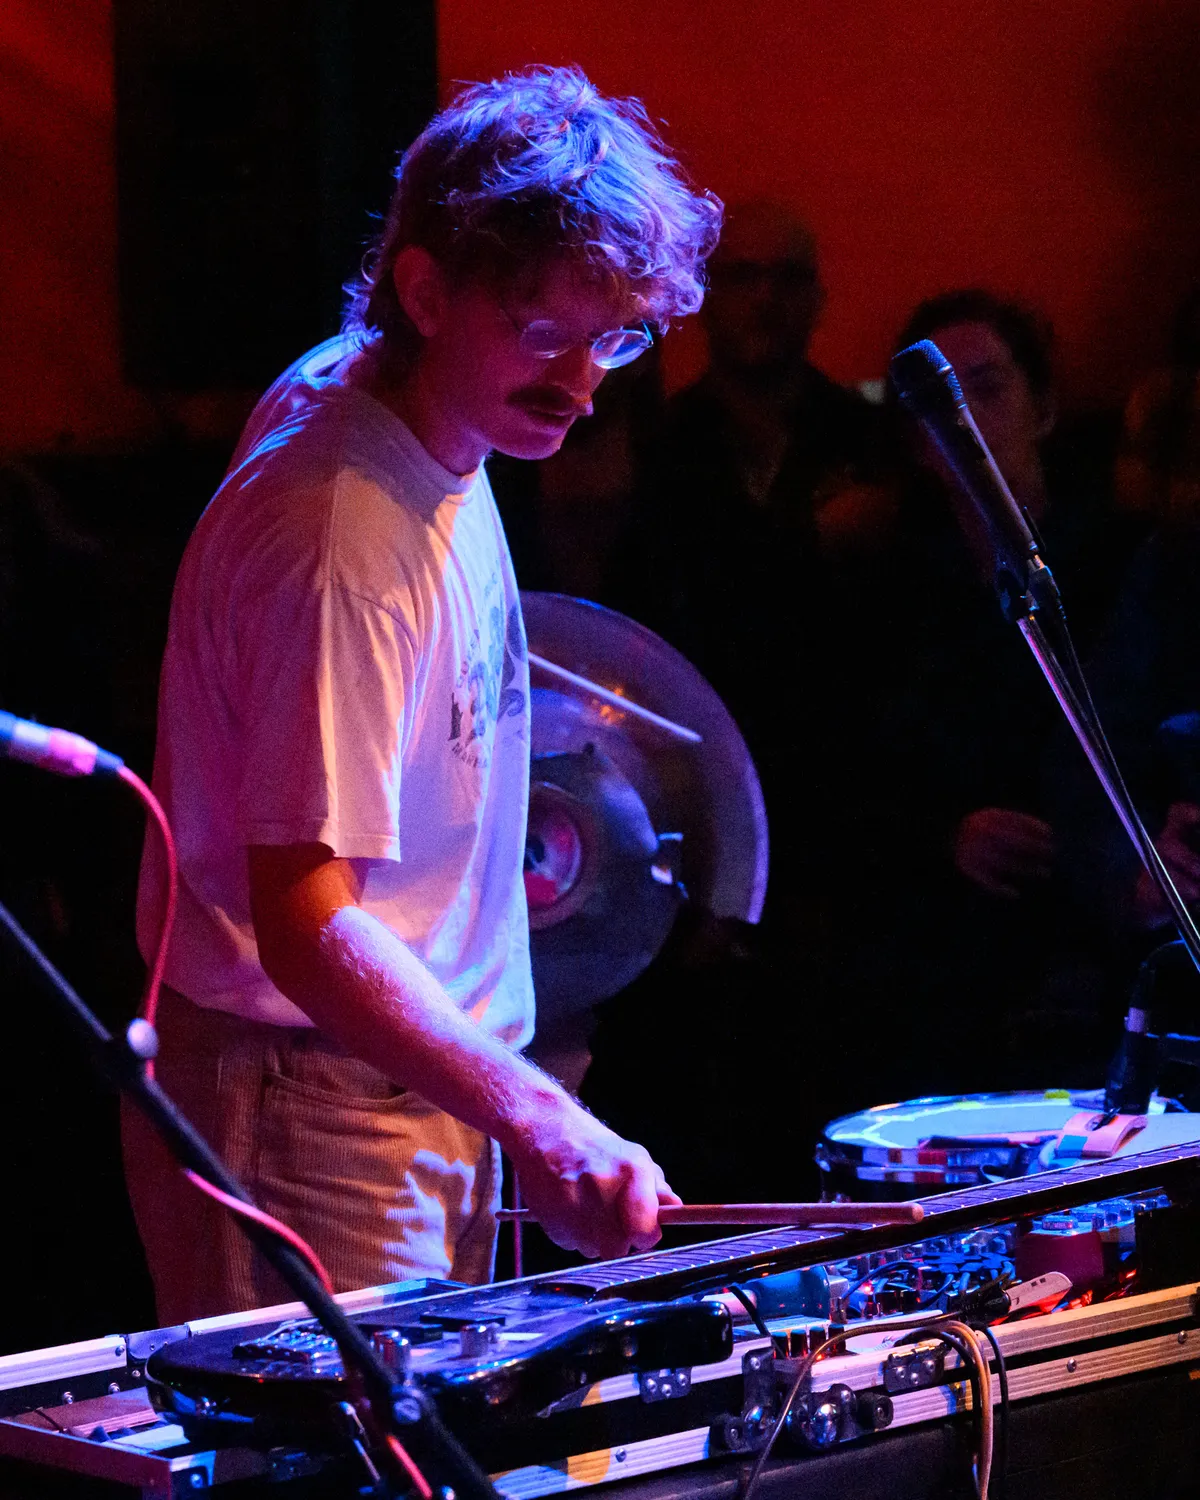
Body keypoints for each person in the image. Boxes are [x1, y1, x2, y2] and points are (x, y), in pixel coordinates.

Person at [122, 65, 721, 1323]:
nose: (582, 383)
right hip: (310, 1106)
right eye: (543, 334)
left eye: (613, 338)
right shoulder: (342, 531)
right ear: (426, 290)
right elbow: (304, 919)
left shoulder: (412, 400)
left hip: (407, 1083)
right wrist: (540, 1115)